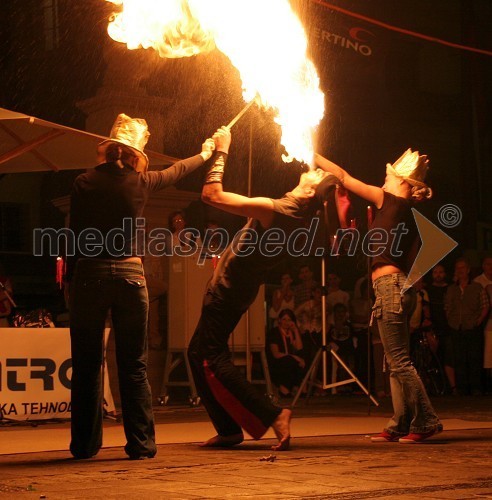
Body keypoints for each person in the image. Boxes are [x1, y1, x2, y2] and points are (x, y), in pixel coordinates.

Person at [66, 113, 215, 460]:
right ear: (134, 153)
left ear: (110, 149)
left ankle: (85, 446)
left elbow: (73, 237)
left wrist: (72, 279)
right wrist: (206, 153)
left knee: (88, 363)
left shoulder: (83, 182)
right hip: (132, 278)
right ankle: (142, 444)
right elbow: (178, 171)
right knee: (134, 365)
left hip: (90, 275)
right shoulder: (141, 182)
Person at [188, 126, 346, 452]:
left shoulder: (277, 211)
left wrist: (221, 152)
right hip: (236, 290)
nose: (310, 170)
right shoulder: (295, 218)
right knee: (196, 353)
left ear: (309, 193)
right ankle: (229, 429)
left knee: (212, 356)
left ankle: (274, 414)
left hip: (227, 292)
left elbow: (211, 196)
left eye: (315, 174)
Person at [315, 149, 443, 443]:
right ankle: (399, 422)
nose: (383, 182)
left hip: (390, 287)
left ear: (402, 183)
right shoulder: (407, 213)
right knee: (396, 361)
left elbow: (345, 177)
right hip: (397, 287)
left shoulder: (392, 201)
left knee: (399, 361)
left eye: (388, 178)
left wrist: (313, 154)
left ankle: (425, 420)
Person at [445, 258, 489, 395]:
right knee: (459, 359)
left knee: (474, 358)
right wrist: (451, 320)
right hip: (456, 328)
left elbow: (485, 305)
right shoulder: (451, 289)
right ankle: (462, 389)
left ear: (468, 270)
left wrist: (478, 321)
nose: (460, 271)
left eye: (462, 268)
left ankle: (475, 388)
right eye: (458, 268)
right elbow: (447, 307)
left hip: (473, 328)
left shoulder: (477, 287)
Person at [427, 264, 455, 393]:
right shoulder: (428, 290)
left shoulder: (450, 288)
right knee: (433, 359)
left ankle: (451, 388)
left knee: (449, 358)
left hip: (448, 328)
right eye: (435, 272)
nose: (438, 274)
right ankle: (435, 387)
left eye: (441, 272)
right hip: (433, 328)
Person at [266, 309, 305, 397]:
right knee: (290, 360)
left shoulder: (291, 333)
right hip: (276, 362)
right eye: (284, 319)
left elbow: (299, 348)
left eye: (289, 320)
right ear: (279, 320)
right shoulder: (274, 332)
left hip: (290, 361)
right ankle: (284, 389)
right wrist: (294, 357)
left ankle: (297, 388)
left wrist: (295, 330)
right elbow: (276, 354)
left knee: (299, 360)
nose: (286, 322)